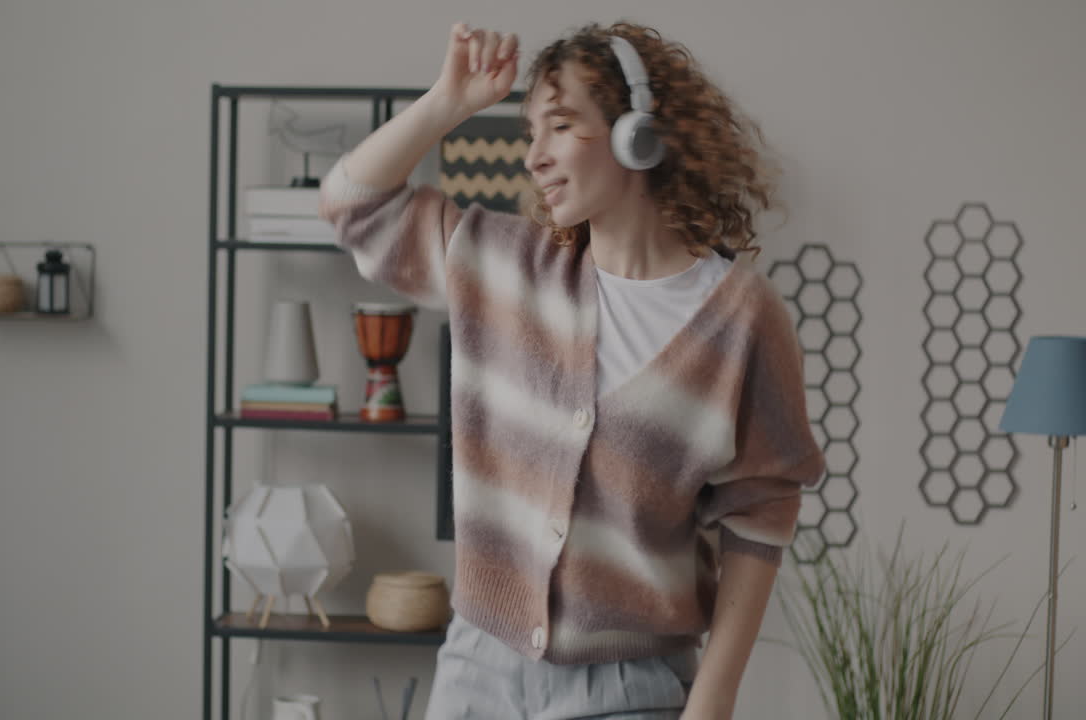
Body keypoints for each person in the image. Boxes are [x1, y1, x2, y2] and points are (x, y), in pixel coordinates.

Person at [319, 20, 824, 720]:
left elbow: (762, 513)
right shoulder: (502, 265)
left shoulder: (741, 319)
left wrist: (715, 695)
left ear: (636, 133)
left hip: (631, 687)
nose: (535, 157)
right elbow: (351, 205)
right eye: (531, 133)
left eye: (560, 126)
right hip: (476, 671)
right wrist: (445, 101)